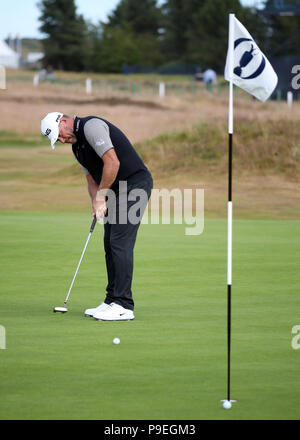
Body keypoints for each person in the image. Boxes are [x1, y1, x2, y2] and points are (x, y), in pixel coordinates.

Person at [41, 112, 153, 321]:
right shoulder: (77, 148)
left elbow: (113, 163)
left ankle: (123, 305)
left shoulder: (91, 127)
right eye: (58, 140)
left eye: (60, 135)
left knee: (120, 242)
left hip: (134, 185)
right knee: (109, 243)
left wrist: (101, 197)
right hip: (115, 190)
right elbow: (91, 179)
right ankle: (112, 300)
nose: (63, 140)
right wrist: (96, 202)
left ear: (63, 122)